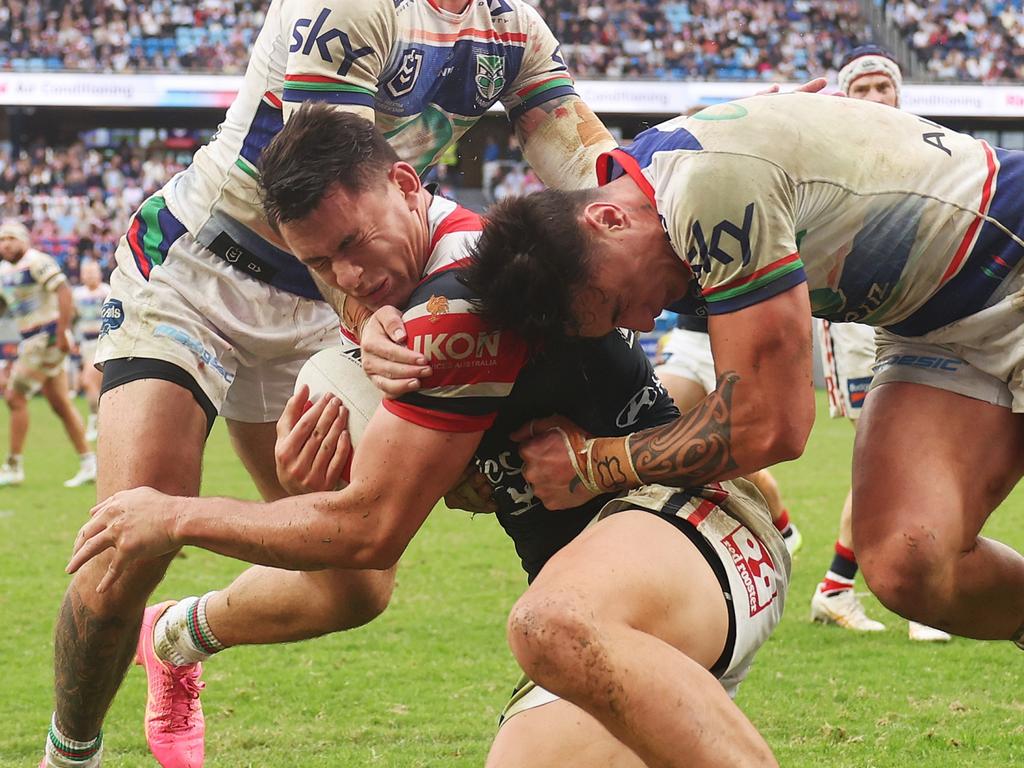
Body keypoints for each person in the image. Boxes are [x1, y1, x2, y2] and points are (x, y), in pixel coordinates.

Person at [68, 105, 790, 768]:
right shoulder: (412, 292)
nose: (348, 274)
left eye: (353, 242)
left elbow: (368, 533)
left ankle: (163, 648)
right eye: (320, 265)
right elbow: (472, 484)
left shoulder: (461, 298)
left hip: (695, 531)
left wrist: (173, 517)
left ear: (408, 185)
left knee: (542, 623)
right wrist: (334, 470)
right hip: (623, 571)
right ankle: (177, 638)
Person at [42, 1, 620, 766]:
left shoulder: (514, 29)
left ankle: (175, 637)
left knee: (353, 586)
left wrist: (660, 214)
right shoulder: (350, 6)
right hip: (204, 272)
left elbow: (592, 172)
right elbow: (322, 178)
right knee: (126, 544)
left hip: (330, 297)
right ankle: (69, 754)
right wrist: (368, 320)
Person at [400, 91, 1024, 651]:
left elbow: (771, 426)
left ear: (608, 220)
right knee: (908, 564)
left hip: (1009, 257)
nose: (643, 324)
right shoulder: (647, 191)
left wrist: (592, 463)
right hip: (933, 321)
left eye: (620, 307)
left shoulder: (705, 189)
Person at [809, 46, 950, 642]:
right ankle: (906, 599)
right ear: (845, 97)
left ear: (899, 94)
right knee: (896, 460)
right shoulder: (831, 153)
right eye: (861, 89)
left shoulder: (928, 151)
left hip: (913, 315)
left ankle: (839, 587)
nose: (873, 99)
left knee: (899, 461)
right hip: (856, 324)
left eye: (882, 88)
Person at [656, 289, 802, 558]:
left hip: (741, 338)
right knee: (656, 433)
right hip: (690, 339)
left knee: (737, 461)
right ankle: (669, 536)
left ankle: (784, 530)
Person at [0, 221, 96, 489]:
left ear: (24, 240)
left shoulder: (37, 261)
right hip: (31, 339)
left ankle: (13, 465)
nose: (5, 243)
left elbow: (63, 291)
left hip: (47, 337)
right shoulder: (5, 271)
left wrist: (62, 331)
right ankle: (89, 463)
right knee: (60, 404)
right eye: (2, 239)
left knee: (15, 396)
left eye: (11, 238)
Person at [71, 260, 110, 443]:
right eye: (86, 272)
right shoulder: (77, 294)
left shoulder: (107, 291)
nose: (90, 275)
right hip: (86, 343)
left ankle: (97, 419)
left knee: (88, 380)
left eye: (93, 272)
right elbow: (73, 319)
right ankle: (98, 419)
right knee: (92, 383)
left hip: (104, 341)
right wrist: (74, 340)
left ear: (99, 273)